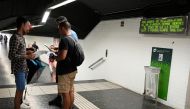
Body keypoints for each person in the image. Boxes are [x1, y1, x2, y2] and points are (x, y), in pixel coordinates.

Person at [49, 16, 79, 108]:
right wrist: (58, 49)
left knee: (66, 94)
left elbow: (63, 56)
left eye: (59, 26)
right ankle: (69, 106)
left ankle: (65, 104)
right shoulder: (73, 35)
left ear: (62, 26)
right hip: (72, 68)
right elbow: (70, 49)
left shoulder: (65, 38)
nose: (58, 28)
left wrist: (54, 57)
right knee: (70, 91)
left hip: (65, 69)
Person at [8, 16, 35, 109]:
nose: (29, 28)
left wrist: (27, 52)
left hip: (23, 68)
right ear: (22, 25)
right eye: (28, 26)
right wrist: (27, 56)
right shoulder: (15, 37)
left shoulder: (22, 37)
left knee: (21, 89)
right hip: (18, 69)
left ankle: (19, 104)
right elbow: (11, 56)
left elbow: (19, 52)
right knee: (19, 91)